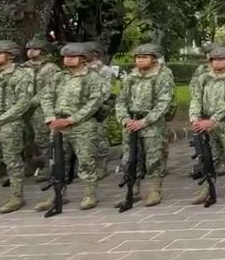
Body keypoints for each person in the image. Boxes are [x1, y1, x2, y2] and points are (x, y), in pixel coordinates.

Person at [35, 43, 109, 211]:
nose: (68, 59)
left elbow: (94, 103)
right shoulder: (58, 77)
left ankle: (90, 194)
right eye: (66, 57)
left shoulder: (93, 78)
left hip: (82, 126)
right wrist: (50, 117)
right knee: (57, 161)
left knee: (86, 161)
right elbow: (46, 96)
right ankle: (58, 194)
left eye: (72, 57)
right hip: (57, 124)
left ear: (83, 59)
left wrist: (71, 120)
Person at [114, 43, 175, 208]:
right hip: (131, 123)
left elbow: (164, 102)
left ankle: (155, 190)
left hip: (152, 125)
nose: (140, 60)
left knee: (154, 158)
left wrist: (144, 122)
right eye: (138, 57)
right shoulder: (130, 77)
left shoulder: (163, 76)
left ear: (154, 59)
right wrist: (124, 119)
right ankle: (132, 190)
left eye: (144, 57)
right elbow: (120, 100)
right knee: (130, 158)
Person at [189, 46, 225, 203]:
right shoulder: (204, 78)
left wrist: (213, 119)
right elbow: (196, 98)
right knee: (208, 157)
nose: (217, 63)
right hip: (205, 124)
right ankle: (206, 187)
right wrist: (194, 117)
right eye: (214, 60)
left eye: (221, 60)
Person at [0, 41, 34, 213]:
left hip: (9, 123)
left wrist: (0, 120)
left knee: (12, 162)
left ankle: (16, 197)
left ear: (10, 55)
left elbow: (23, 103)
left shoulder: (20, 76)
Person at [22, 38, 58, 181]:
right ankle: (28, 165)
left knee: (43, 137)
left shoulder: (51, 68)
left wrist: (36, 100)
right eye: (29, 49)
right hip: (24, 108)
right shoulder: (23, 67)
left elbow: (51, 87)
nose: (30, 52)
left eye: (34, 49)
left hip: (42, 108)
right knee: (25, 137)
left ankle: (48, 168)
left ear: (43, 51)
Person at [84, 43, 115, 180]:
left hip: (99, 109)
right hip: (81, 109)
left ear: (95, 54)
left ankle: (102, 166)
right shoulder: (81, 69)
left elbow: (105, 91)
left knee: (99, 136)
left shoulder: (105, 71)